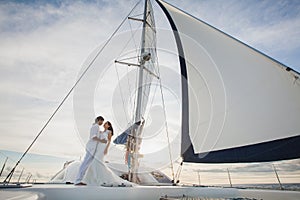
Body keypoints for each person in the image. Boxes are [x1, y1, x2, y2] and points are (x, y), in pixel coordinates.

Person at [82, 121, 132, 186]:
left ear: (108, 126)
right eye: (104, 123)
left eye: (106, 124)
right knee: (94, 161)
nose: (104, 124)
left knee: (97, 161)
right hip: (98, 147)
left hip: (103, 148)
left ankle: (100, 178)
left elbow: (109, 141)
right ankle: (91, 178)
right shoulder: (101, 132)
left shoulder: (109, 132)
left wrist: (106, 149)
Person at [74, 116, 106, 186]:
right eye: (102, 121)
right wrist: (102, 141)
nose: (102, 123)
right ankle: (77, 180)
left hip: (92, 148)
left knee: (86, 164)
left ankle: (79, 179)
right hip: (91, 148)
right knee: (85, 164)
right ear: (98, 120)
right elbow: (93, 137)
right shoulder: (96, 126)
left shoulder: (95, 127)